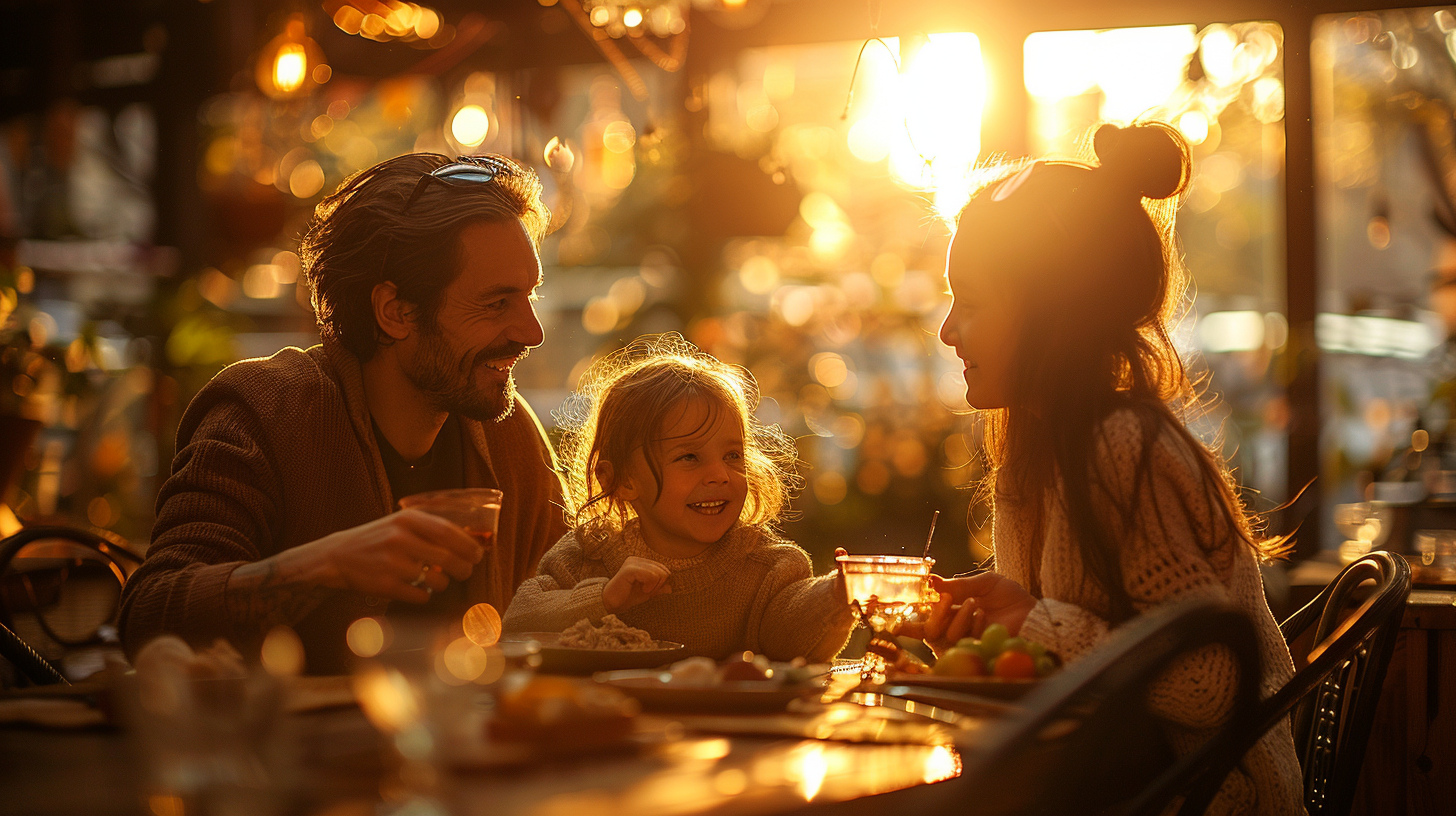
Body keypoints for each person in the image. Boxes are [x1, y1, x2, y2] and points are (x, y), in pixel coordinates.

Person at [926, 122, 1304, 814]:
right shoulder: (1031, 443)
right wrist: (991, 622)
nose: (948, 330)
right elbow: (1054, 642)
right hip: (1111, 777)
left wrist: (1031, 621)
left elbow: (1208, 683)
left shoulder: (1120, 447)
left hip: (1208, 796)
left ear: (1053, 315)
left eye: (972, 302)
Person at [120, 154, 568, 673]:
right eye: (497, 303)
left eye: (530, 295)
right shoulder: (264, 412)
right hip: (288, 751)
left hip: (462, 747)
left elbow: (569, 599)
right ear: (395, 312)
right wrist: (328, 565)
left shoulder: (510, 435)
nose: (532, 332)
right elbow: (151, 616)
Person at [503, 334, 854, 662]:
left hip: (721, 727)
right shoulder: (586, 558)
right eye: (690, 457)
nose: (720, 474)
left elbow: (791, 639)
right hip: (614, 724)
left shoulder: (763, 566)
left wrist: (837, 595)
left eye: (732, 455)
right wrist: (604, 597)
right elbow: (518, 623)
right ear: (621, 480)